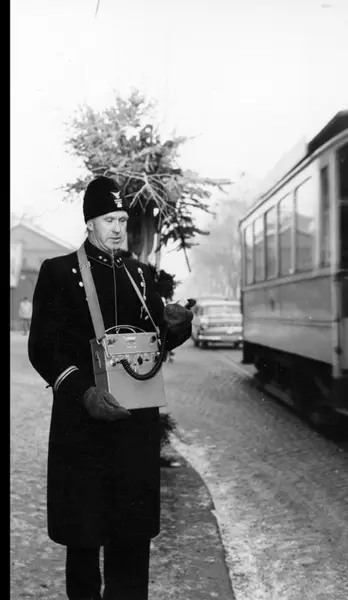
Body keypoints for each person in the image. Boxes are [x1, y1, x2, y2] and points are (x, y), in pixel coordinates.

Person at [28, 176, 192, 600]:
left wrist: (176, 329)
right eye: (108, 220)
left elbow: (151, 347)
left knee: (131, 542)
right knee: (84, 540)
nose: (117, 229)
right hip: (83, 428)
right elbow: (42, 349)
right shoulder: (59, 272)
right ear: (89, 223)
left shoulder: (140, 275)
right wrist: (84, 392)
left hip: (133, 430)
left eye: (122, 220)